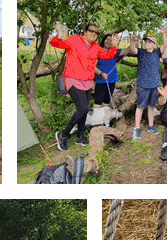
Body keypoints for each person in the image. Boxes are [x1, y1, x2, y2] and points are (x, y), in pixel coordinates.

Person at [49, 23, 119, 151]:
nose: (94, 34)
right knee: (82, 109)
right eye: (91, 31)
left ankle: (80, 137)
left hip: (87, 82)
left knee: (84, 111)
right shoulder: (74, 39)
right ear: (85, 31)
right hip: (73, 80)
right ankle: (63, 135)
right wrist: (59, 35)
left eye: (96, 32)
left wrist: (113, 45)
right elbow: (55, 43)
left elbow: (107, 55)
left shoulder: (95, 46)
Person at [94, 32, 129, 109]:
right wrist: (101, 74)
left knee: (106, 102)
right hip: (100, 80)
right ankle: (95, 117)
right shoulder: (98, 51)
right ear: (103, 40)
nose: (109, 41)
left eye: (111, 40)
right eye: (107, 39)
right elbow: (93, 67)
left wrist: (133, 41)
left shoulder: (114, 51)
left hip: (112, 80)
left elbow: (127, 50)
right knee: (98, 102)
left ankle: (103, 117)